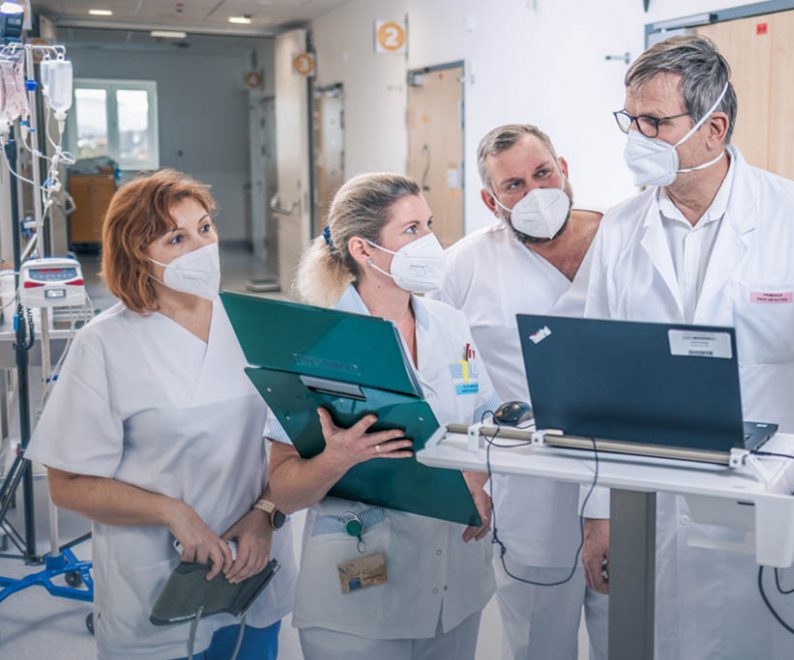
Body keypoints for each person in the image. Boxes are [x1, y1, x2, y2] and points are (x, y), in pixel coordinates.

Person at [581, 35, 794, 658]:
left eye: (654, 122)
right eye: (629, 119)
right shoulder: (619, 229)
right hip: (653, 506)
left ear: (714, 127)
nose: (635, 137)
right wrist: (596, 511)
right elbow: (597, 384)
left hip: (771, 506)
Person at [25, 169, 296, 659]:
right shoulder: (105, 344)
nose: (201, 247)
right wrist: (174, 514)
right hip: (155, 583)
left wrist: (265, 515)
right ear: (137, 254)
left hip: (251, 568)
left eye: (205, 228)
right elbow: (67, 484)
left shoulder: (253, 324)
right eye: (177, 237)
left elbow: (288, 441)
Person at [265, 172, 497, 660]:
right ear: (364, 251)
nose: (431, 242)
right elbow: (283, 490)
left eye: (429, 225)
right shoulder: (315, 344)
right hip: (359, 587)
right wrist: (336, 458)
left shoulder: (451, 325)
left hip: (454, 576)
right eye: (411, 231)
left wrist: (477, 480)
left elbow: (482, 419)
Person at [435, 123, 607, 660]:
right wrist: (470, 469)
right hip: (528, 485)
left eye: (543, 173)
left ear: (565, 169)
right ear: (490, 200)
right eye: (513, 186)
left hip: (628, 477)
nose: (535, 193)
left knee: (632, 634)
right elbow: (443, 373)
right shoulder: (465, 264)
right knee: (538, 641)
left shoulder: (624, 240)